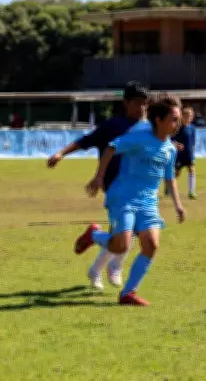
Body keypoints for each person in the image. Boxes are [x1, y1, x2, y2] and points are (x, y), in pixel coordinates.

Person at [76, 94, 186, 306]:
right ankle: (94, 234)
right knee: (120, 246)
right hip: (124, 197)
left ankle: (128, 293)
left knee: (151, 245)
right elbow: (111, 147)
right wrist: (99, 177)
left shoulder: (170, 149)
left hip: (148, 203)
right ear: (158, 120)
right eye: (174, 119)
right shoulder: (139, 137)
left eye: (178, 119)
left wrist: (178, 205)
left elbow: (170, 178)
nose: (177, 124)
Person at [47, 81, 150, 290]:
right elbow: (86, 141)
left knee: (128, 233)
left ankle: (101, 265)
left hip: (137, 187)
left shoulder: (147, 128)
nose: (142, 108)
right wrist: (61, 154)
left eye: (145, 104)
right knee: (125, 233)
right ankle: (109, 261)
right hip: (115, 187)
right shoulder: (114, 126)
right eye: (137, 103)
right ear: (126, 102)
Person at [170, 106, 197, 199]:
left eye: (190, 116)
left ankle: (191, 192)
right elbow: (171, 139)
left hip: (189, 154)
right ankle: (169, 187)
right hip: (179, 155)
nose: (188, 118)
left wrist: (193, 153)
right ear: (182, 116)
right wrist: (176, 144)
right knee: (177, 173)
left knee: (192, 170)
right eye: (186, 116)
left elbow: (193, 142)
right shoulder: (177, 128)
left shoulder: (192, 128)